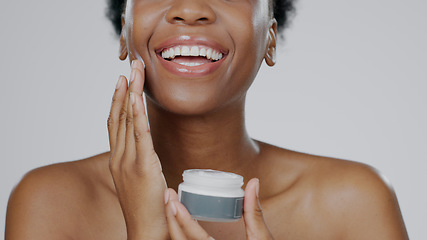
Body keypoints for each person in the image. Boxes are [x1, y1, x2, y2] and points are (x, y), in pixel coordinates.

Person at [5, 0, 409, 239]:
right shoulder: (51, 204)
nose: (191, 10)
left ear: (270, 36)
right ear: (124, 32)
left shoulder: (353, 205)